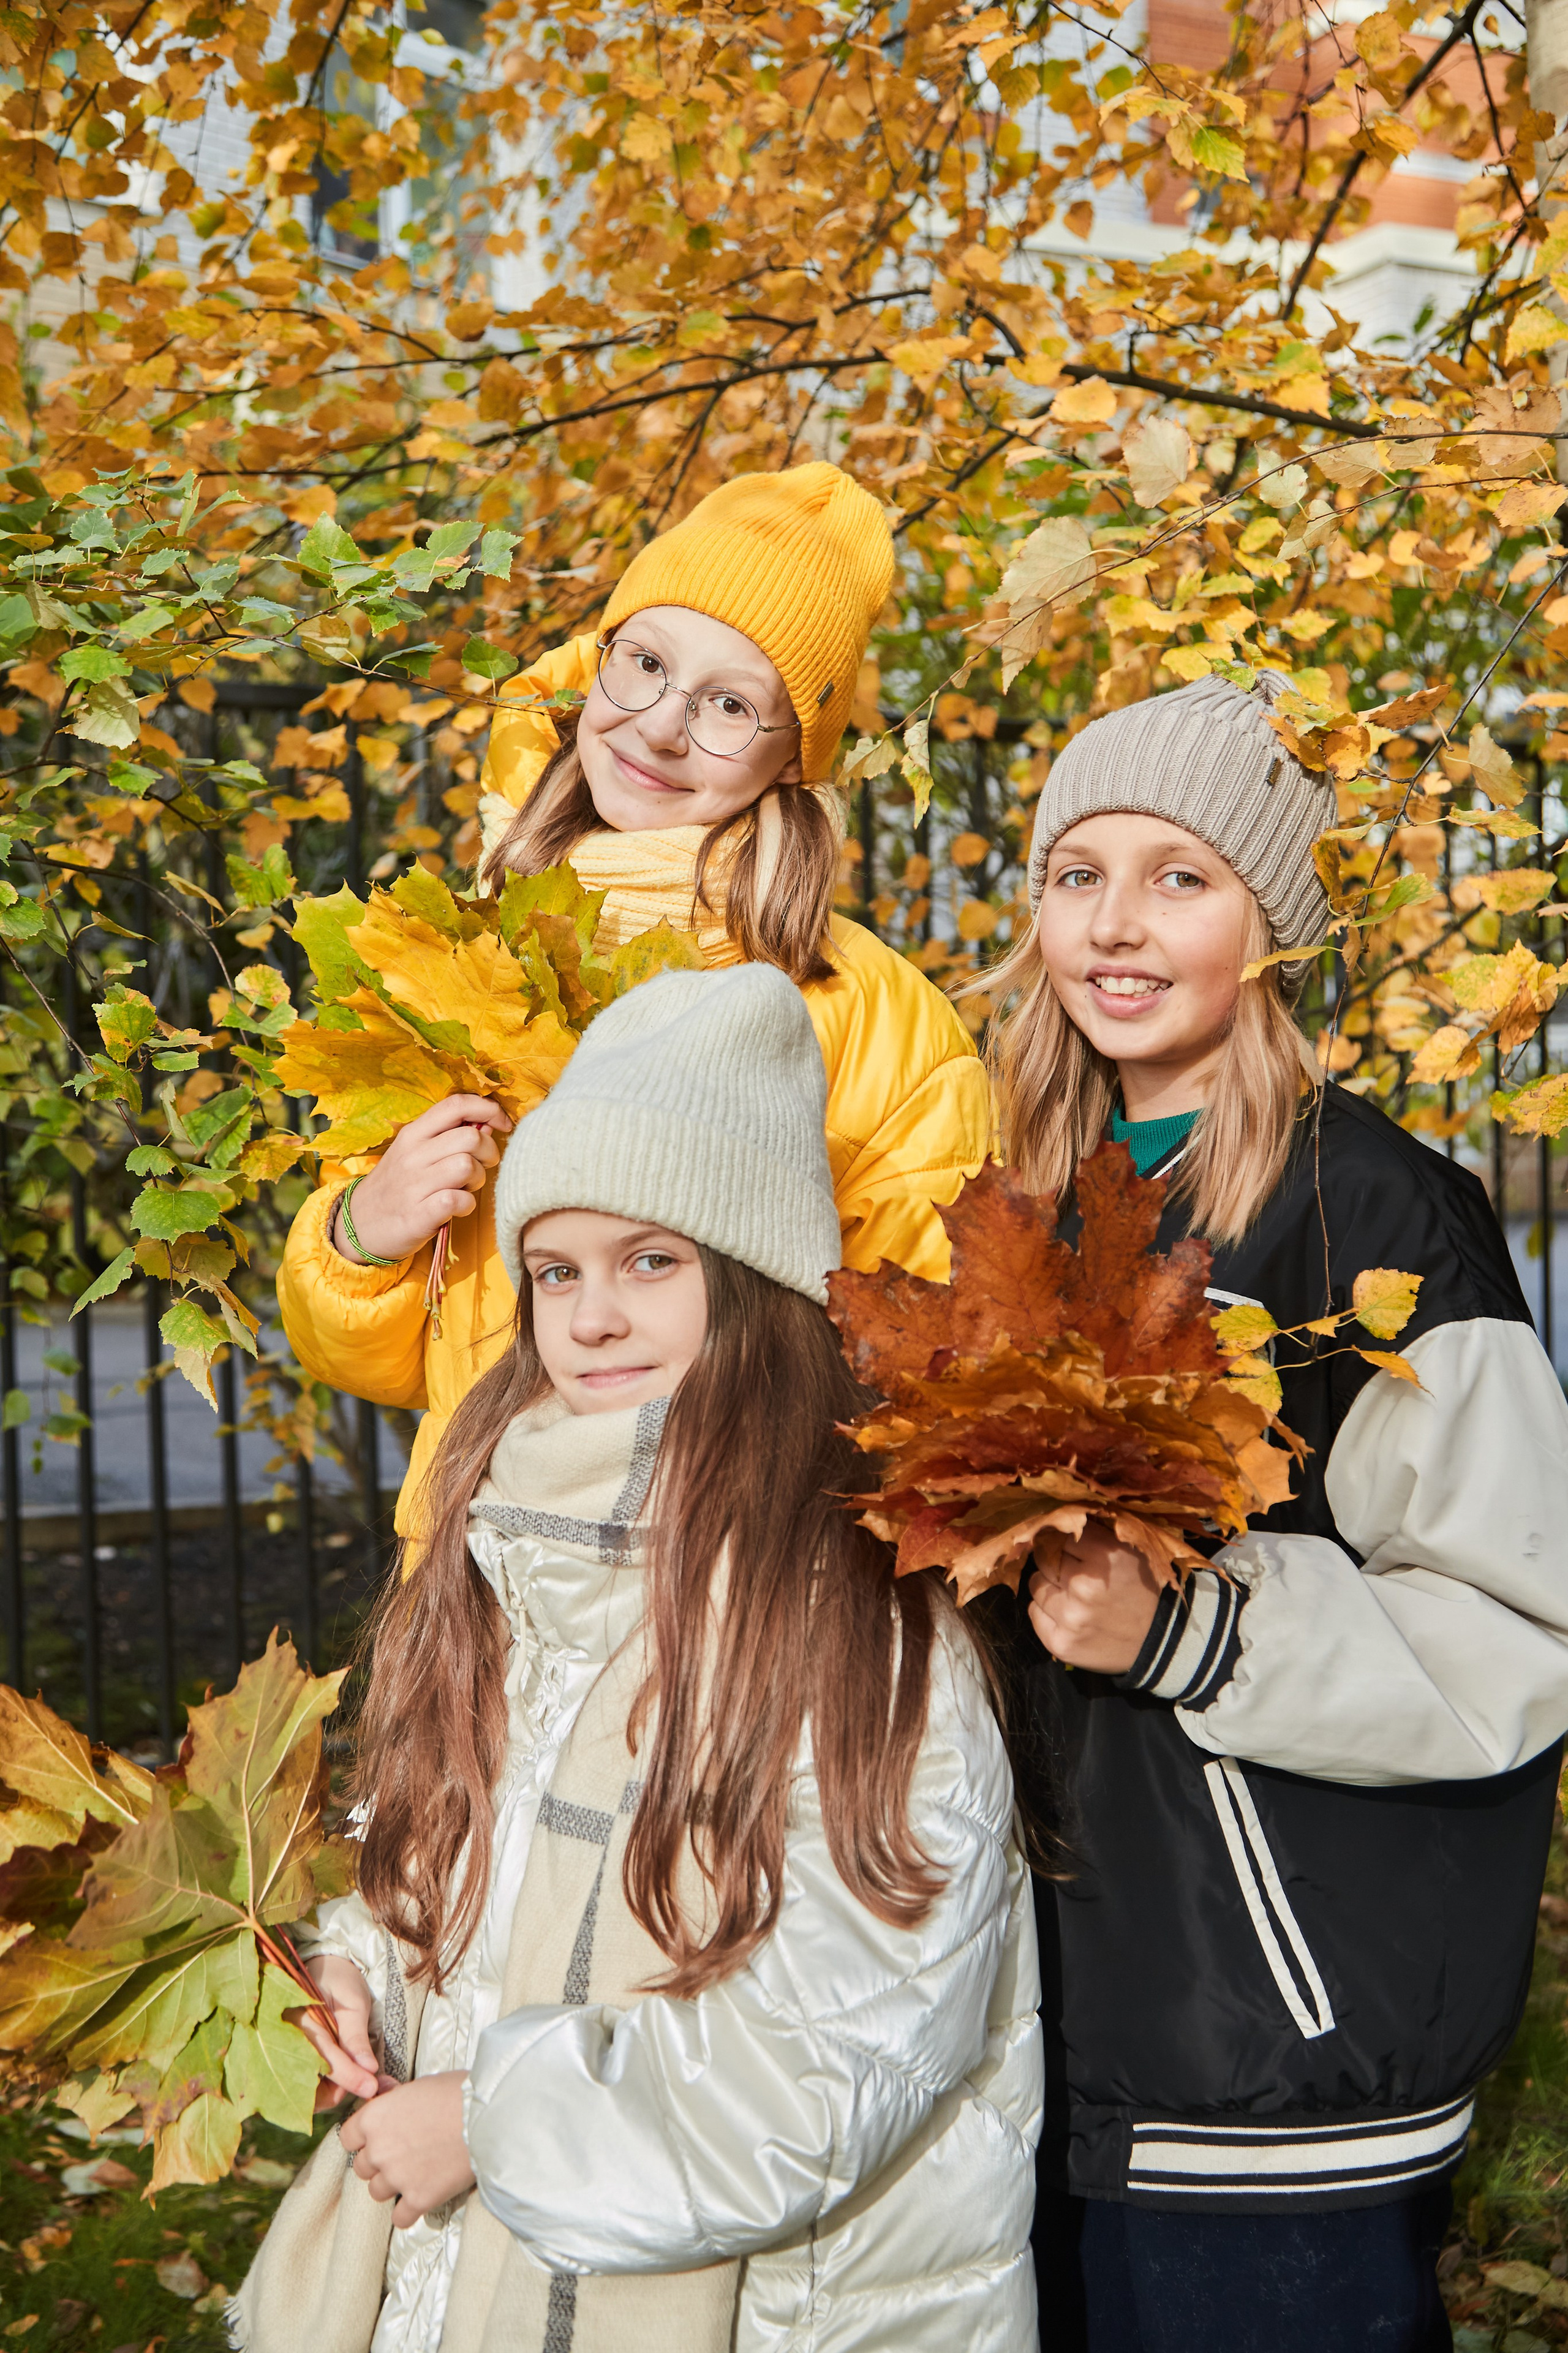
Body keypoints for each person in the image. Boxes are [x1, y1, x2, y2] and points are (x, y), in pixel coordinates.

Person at [233, 964, 1041, 2353]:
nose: (590, 1317)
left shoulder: (854, 1619)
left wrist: (491, 2123)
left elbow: (843, 2060)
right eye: (556, 1271)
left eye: (650, 1261)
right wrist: (359, 1967)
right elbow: (451, 1883)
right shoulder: (504, 1559)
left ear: (758, 1286)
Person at [984, 669, 1568, 2353]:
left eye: (1180, 876)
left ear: (1272, 926)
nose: (1114, 922)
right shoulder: (1017, 1210)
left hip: (1270, 2055)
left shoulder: (1371, 1214)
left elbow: (1513, 1627)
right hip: (1037, 2040)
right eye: (1076, 873)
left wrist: (1191, 1630)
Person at [277, 462, 989, 1545]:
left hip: (726, 1573)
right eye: (646, 663)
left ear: (794, 757)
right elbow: (385, 1360)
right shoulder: (467, 958)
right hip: (480, 1578)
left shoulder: (875, 1018)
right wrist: (361, 1234)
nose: (660, 727)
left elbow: (928, 1357)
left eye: (730, 705)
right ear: (596, 664)